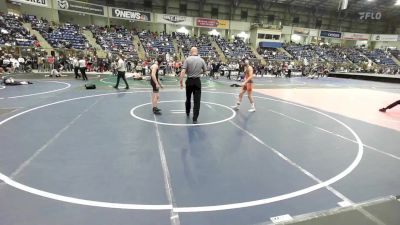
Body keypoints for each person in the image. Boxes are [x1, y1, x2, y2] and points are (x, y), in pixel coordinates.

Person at [180, 47, 207, 124]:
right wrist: (198, 72)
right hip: (197, 81)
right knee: (197, 101)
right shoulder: (201, 60)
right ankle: (195, 118)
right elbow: (205, 72)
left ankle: (187, 112)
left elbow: (183, 71)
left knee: (188, 98)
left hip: (189, 81)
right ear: (197, 52)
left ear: (190, 52)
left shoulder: (187, 59)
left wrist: (181, 81)